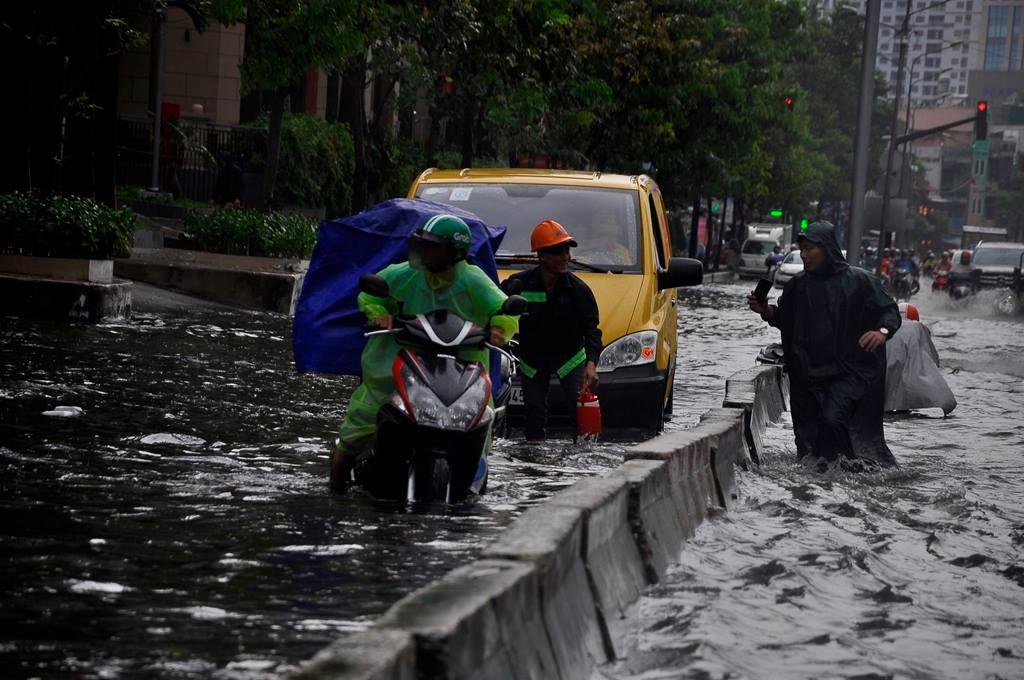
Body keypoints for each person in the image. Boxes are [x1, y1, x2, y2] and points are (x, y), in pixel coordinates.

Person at [330, 214, 519, 491]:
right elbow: (372, 294)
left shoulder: (474, 281)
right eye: (423, 246)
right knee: (356, 427)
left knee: (482, 419)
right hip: (397, 367)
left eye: (433, 248)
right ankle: (335, 487)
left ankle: (472, 482)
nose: (425, 253)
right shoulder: (404, 273)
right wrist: (379, 313)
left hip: (462, 371)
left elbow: (503, 309)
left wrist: (500, 329)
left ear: (454, 254)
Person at [747, 221, 902, 471]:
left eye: (810, 249)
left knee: (833, 419)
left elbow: (889, 312)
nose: (805, 255)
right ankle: (827, 481)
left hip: (851, 372)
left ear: (827, 249)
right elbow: (786, 319)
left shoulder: (860, 281)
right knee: (811, 443)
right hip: (810, 376)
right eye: (802, 249)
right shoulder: (798, 285)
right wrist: (765, 310)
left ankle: (855, 470)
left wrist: (881, 332)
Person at [503, 219, 602, 442]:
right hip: (533, 361)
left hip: (571, 359)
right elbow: (497, 308)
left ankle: (581, 458)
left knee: (580, 413)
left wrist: (591, 364)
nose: (565, 257)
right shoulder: (520, 284)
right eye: (558, 252)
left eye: (567, 251)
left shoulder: (579, 291)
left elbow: (592, 330)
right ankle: (535, 462)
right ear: (541, 256)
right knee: (534, 413)